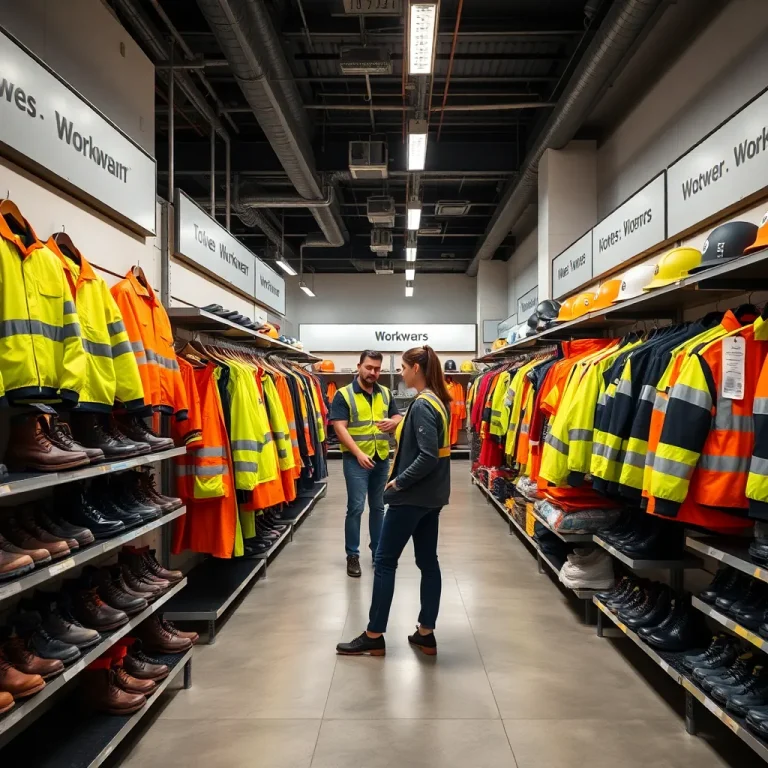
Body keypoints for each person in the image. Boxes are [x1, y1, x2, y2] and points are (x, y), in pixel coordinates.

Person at [336, 345, 452, 657]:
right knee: (428, 561)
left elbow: (427, 456)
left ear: (417, 369)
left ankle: (374, 634)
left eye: (403, 367)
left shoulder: (423, 404)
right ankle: (425, 634)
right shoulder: (439, 400)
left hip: (411, 497)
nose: (400, 373)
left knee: (385, 561)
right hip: (432, 497)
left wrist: (399, 482)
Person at [330, 350, 401, 577]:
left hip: (381, 458)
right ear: (359, 366)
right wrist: (358, 453)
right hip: (355, 460)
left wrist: (394, 422)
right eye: (369, 367)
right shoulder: (344, 394)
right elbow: (339, 427)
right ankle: (352, 555)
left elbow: (397, 415)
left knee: (379, 507)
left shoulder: (385, 393)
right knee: (356, 507)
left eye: (377, 369)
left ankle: (378, 552)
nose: (373, 372)